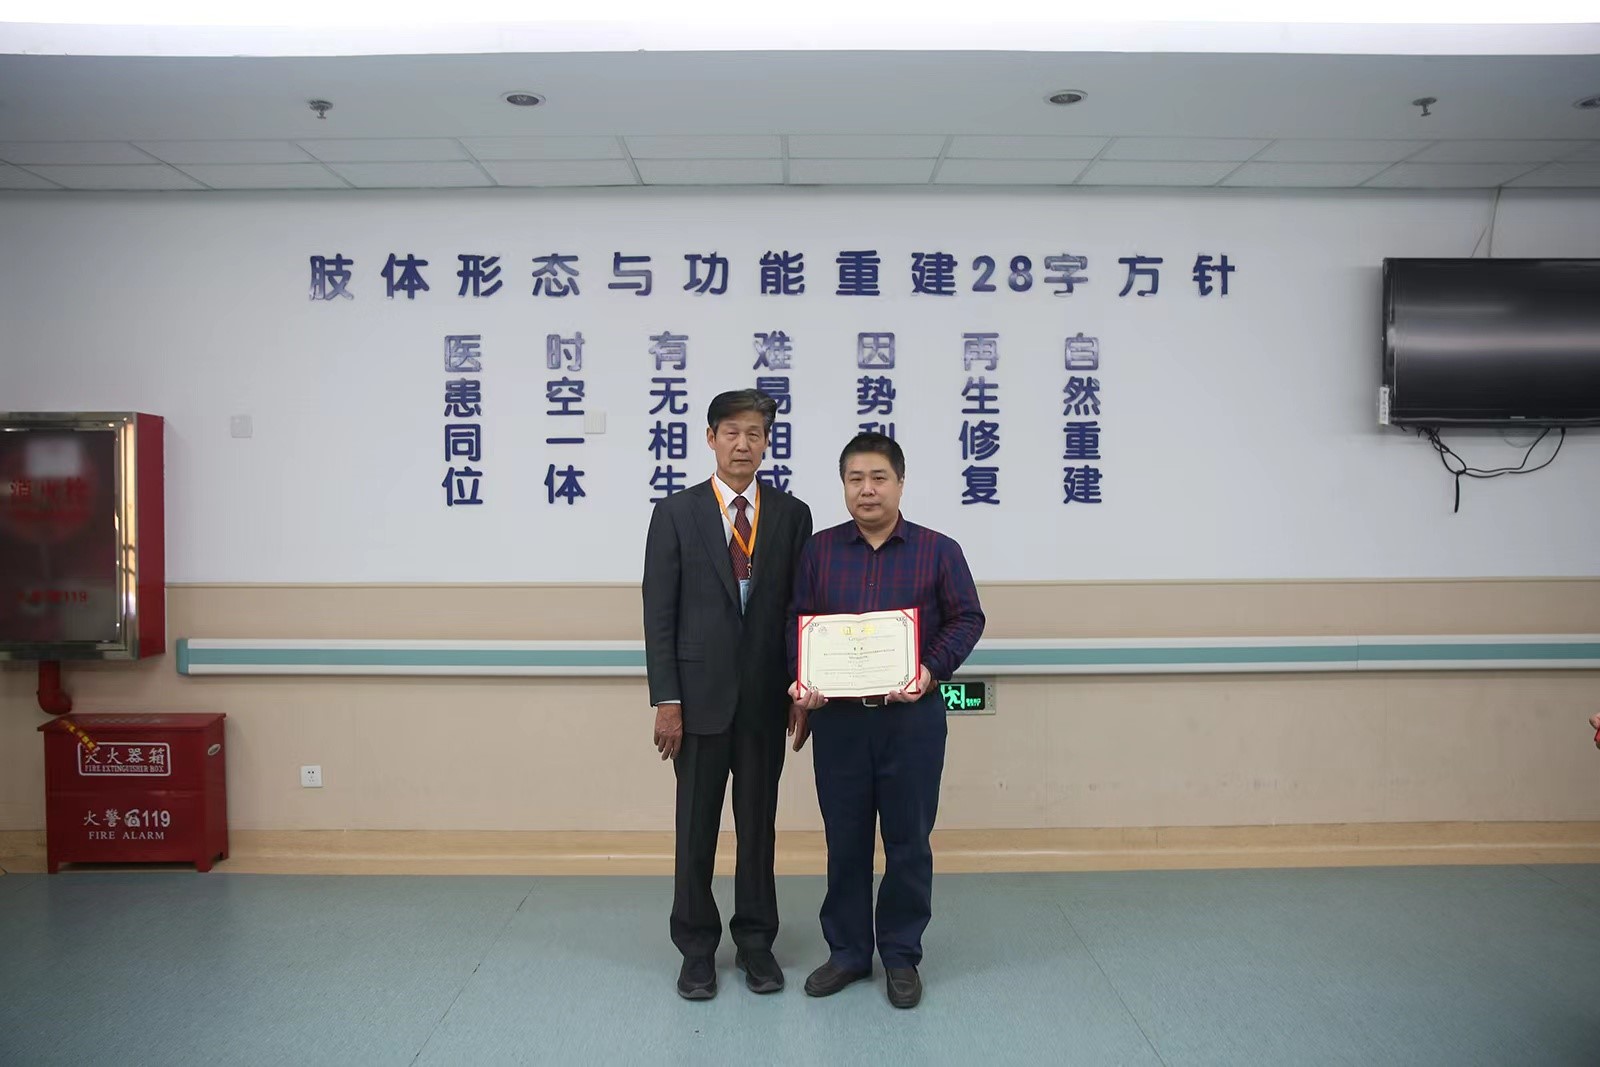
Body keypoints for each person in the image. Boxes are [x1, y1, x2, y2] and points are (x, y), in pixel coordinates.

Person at [787, 432, 985, 1009]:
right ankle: (849, 953)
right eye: (855, 479)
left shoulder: (939, 550)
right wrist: (801, 680)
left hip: (911, 720)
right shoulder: (819, 551)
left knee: (908, 841)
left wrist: (930, 668)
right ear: (843, 486)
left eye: (878, 478)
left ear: (900, 483)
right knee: (845, 841)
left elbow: (968, 618)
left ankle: (900, 954)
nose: (867, 489)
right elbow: (798, 621)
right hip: (840, 724)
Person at [642, 389, 814, 1000]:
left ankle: (756, 943)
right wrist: (668, 699)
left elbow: (800, 610)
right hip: (697, 702)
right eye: (732, 433)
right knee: (695, 829)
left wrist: (800, 688)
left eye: (755, 433)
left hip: (766, 701)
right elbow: (659, 613)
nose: (744, 444)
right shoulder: (676, 513)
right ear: (711, 438)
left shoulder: (792, 515)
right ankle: (696, 949)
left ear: (767, 442)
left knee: (759, 829)